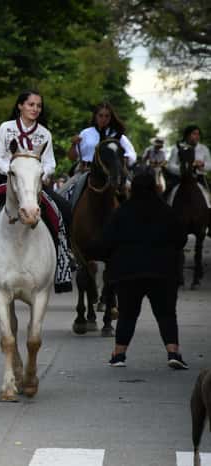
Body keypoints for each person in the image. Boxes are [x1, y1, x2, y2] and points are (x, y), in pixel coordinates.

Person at [0, 90, 72, 292]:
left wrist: (37, 174)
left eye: (38, 106)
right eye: (31, 104)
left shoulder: (44, 133)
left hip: (33, 181)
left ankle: (65, 257)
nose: (35, 109)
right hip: (3, 176)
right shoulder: (6, 128)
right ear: (20, 106)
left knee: (64, 208)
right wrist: (14, 173)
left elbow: (50, 163)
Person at [100, 167, 188, 369]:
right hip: (163, 272)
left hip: (129, 273)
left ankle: (119, 355)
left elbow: (107, 241)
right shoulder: (167, 211)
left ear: (133, 189)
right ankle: (173, 352)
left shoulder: (121, 212)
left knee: (128, 314)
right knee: (166, 313)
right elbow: (181, 239)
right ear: (155, 188)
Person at [66, 102, 137, 174]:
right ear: (95, 116)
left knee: (130, 184)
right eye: (101, 115)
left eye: (107, 116)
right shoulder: (85, 133)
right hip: (85, 170)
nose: (104, 119)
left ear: (111, 117)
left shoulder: (118, 135)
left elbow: (130, 155)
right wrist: (73, 144)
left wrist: (120, 163)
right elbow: (72, 157)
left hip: (111, 173)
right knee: (69, 185)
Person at [167, 125, 211, 189]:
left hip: (200, 178)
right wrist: (184, 169)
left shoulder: (204, 149)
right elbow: (170, 165)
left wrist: (202, 164)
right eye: (194, 134)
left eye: (198, 134)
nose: (197, 136)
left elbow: (210, 165)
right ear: (187, 135)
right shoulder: (177, 148)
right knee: (168, 192)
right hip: (180, 178)